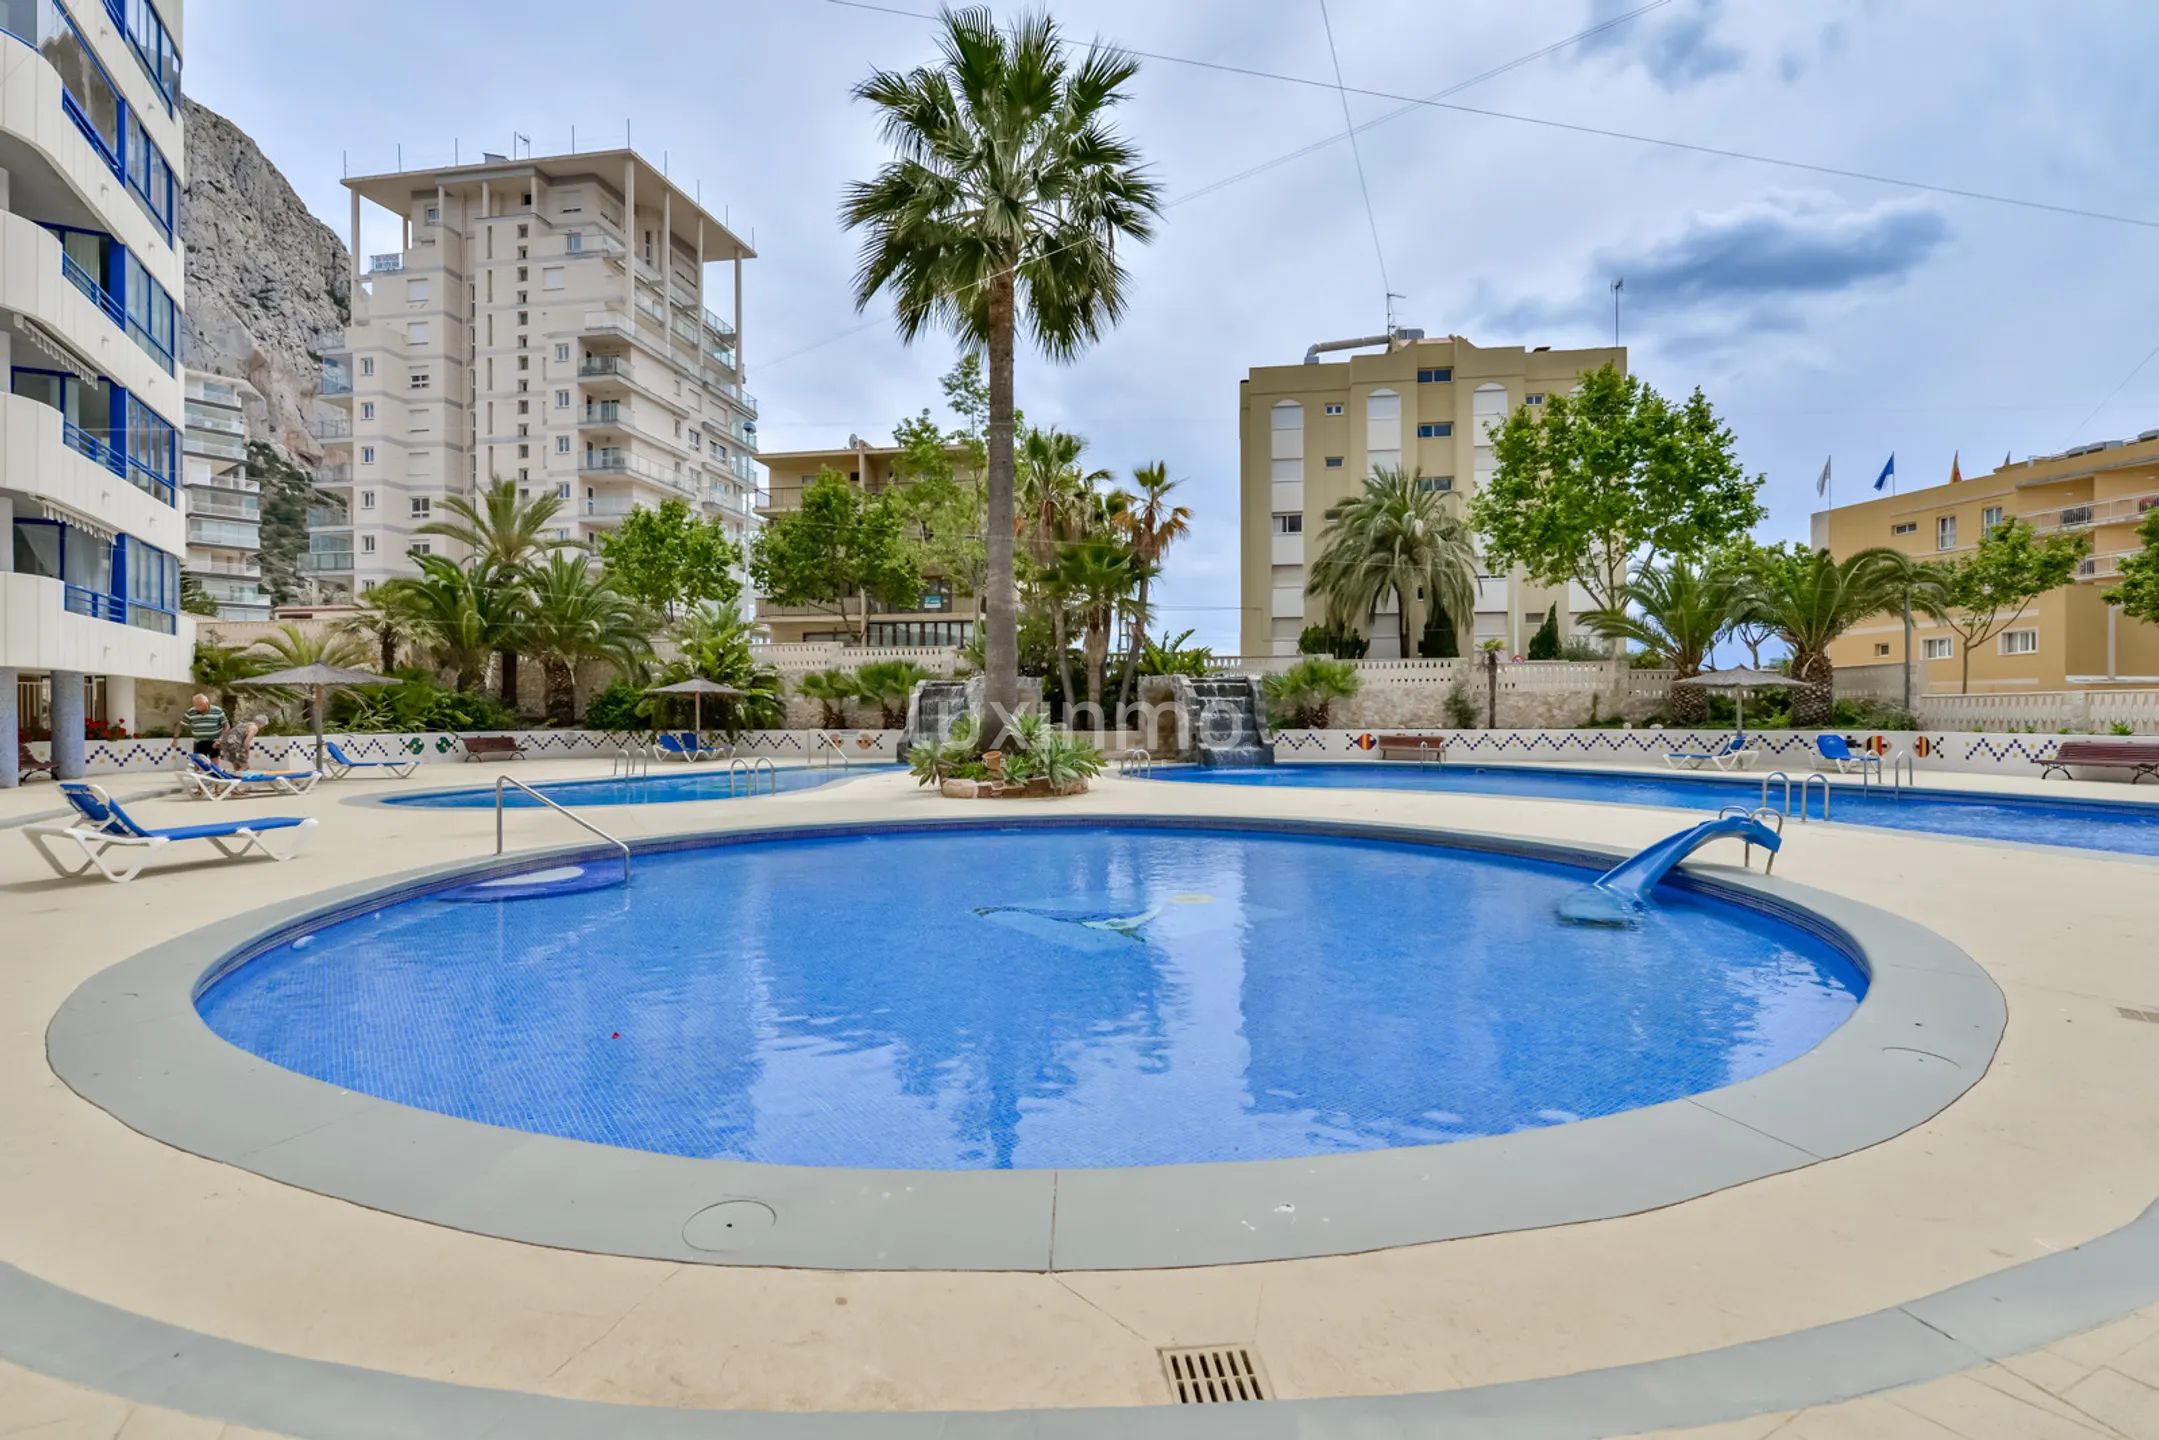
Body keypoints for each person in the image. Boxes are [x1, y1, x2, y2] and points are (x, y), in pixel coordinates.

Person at [172, 694, 228, 759]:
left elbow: (226, 726)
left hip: (214, 741)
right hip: (199, 742)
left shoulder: (217, 711)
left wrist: (221, 739)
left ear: (207, 703)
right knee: (198, 763)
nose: (197, 708)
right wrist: (175, 739)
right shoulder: (191, 712)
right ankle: (197, 769)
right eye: (195, 705)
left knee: (214, 764)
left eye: (200, 705)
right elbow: (180, 725)